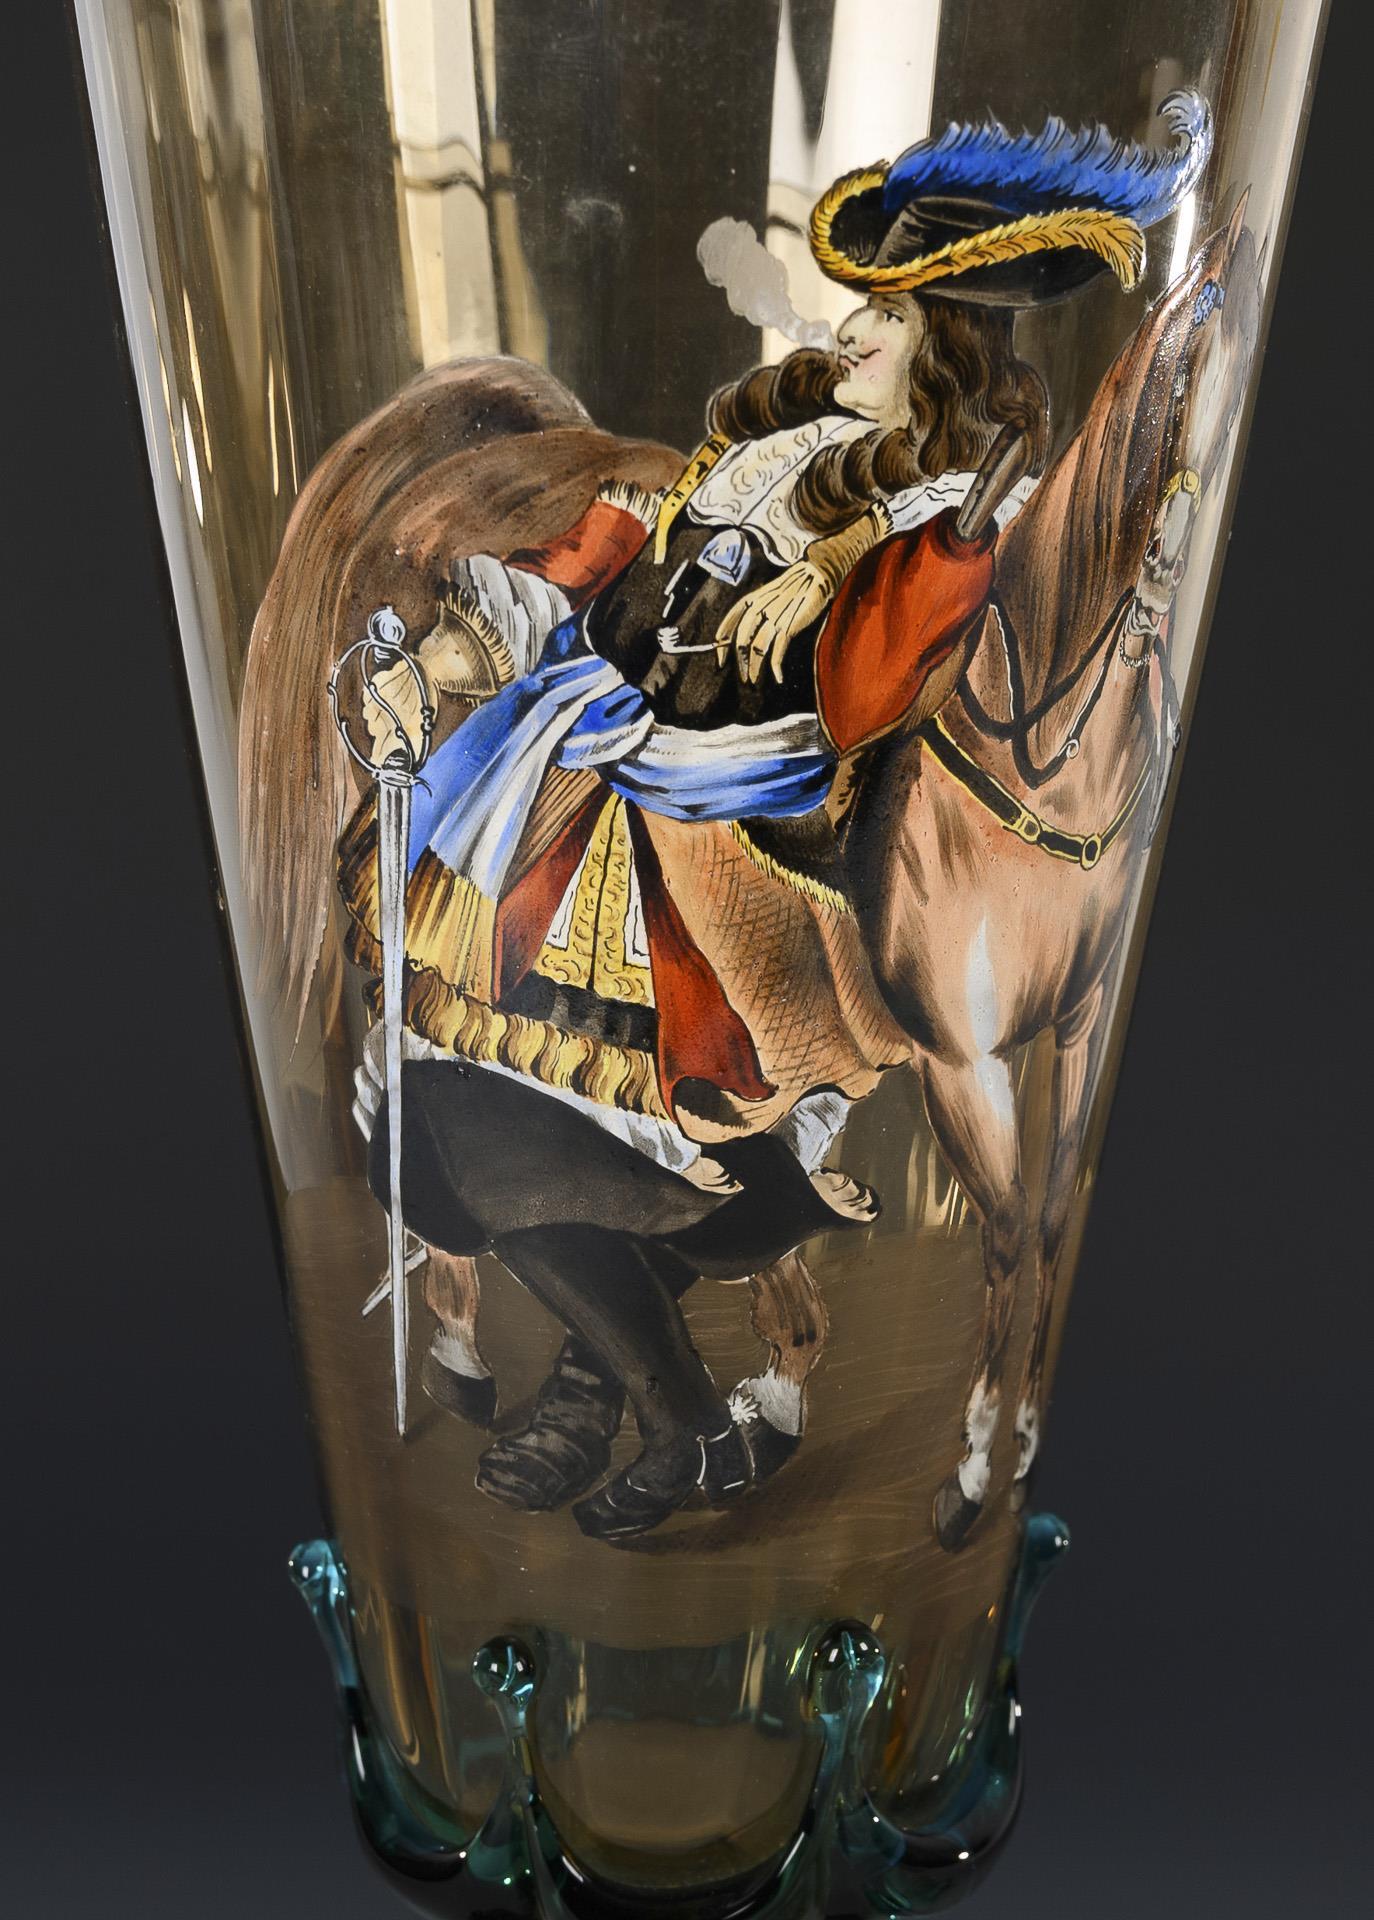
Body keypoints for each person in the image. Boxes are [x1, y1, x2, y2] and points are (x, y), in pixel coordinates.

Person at [338, 99, 1200, 1542]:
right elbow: (624, 562)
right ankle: (624, 1389)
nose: (852, 334)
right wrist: (449, 643)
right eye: (860, 309)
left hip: (736, 818)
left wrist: (880, 565)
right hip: (591, 756)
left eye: (888, 320)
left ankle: (667, 1385)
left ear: (946, 351)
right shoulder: (776, 444)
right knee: (448, 1112)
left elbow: (870, 691)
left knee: (614, 1123)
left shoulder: (942, 508)